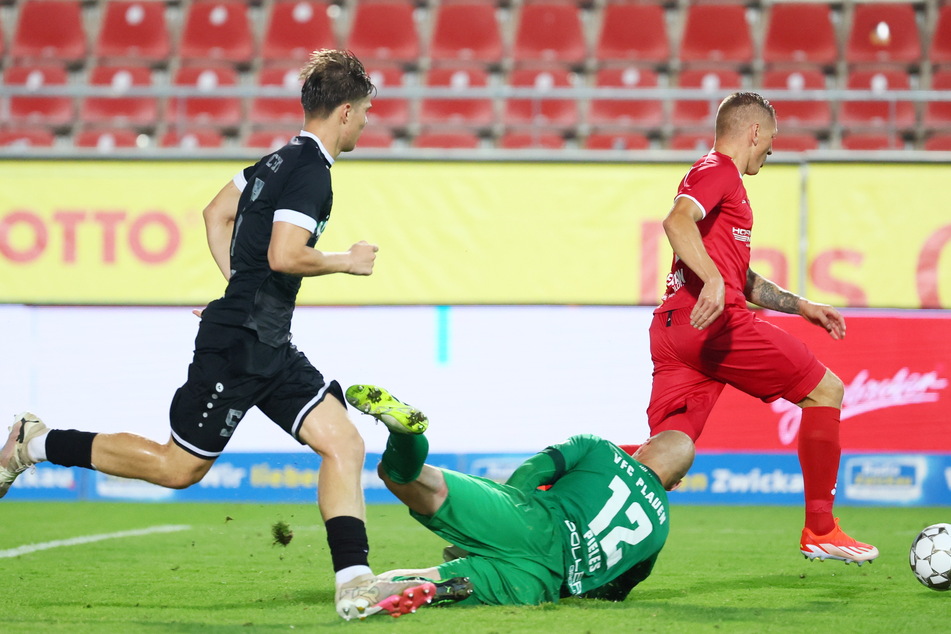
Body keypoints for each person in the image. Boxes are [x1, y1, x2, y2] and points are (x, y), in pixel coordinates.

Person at [0, 49, 423, 620]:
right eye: (367, 111)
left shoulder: (273, 162)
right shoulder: (312, 174)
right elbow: (284, 253)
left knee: (343, 441)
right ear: (345, 112)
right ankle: (35, 441)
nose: (369, 122)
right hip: (238, 346)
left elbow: (214, 212)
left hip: (266, 341)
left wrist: (236, 288)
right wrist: (346, 260)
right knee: (178, 469)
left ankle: (353, 583)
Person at [647, 91, 878, 564]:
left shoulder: (714, 178)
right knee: (826, 391)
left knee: (669, 455)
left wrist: (800, 304)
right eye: (770, 140)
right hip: (714, 325)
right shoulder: (720, 170)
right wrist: (712, 281)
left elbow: (739, 276)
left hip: (675, 328)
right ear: (754, 131)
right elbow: (675, 222)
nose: (770, 151)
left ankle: (554, 492)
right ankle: (821, 528)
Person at [342, 384, 696, 617]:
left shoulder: (600, 448)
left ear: (644, 447)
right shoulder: (660, 529)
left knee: (410, 479)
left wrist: (496, 524)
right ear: (675, 483)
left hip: (527, 522)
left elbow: (532, 471)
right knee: (435, 579)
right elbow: (616, 590)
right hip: (540, 583)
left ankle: (406, 437)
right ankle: (426, 587)